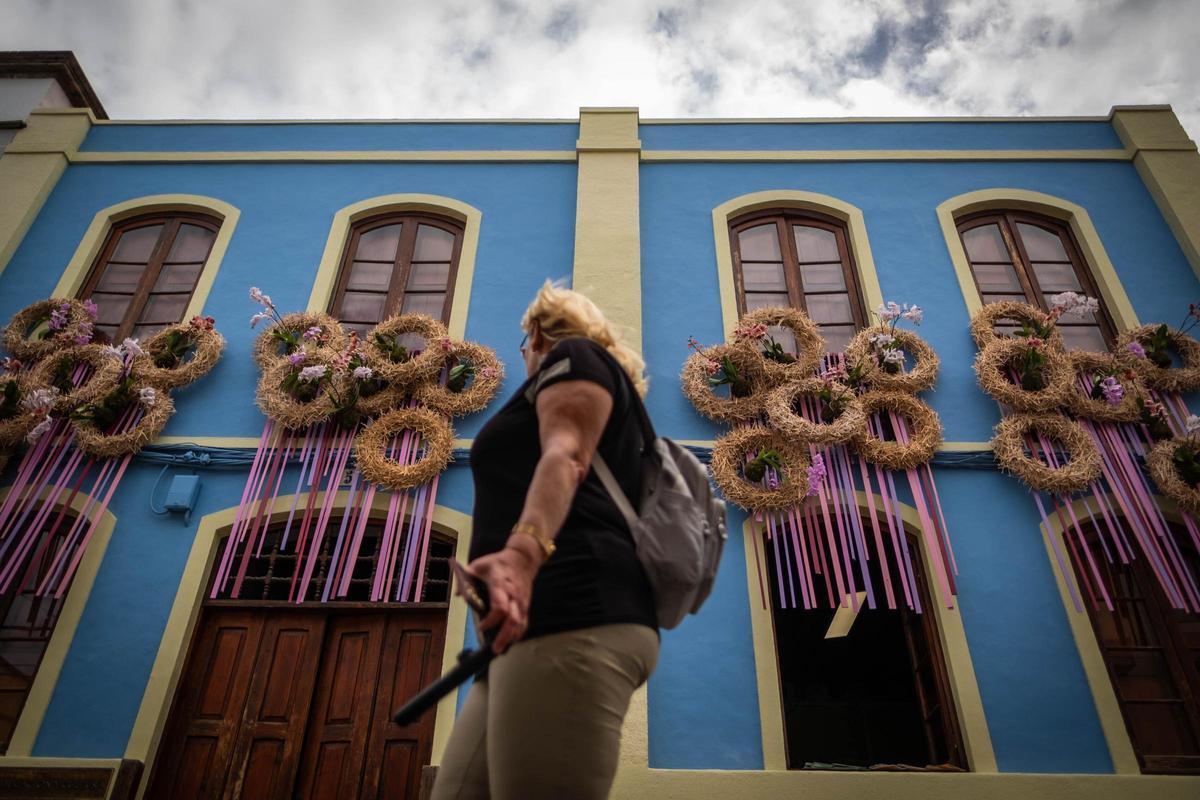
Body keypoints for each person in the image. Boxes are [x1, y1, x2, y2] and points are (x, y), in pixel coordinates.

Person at [430, 282, 659, 800]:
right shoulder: (595, 384)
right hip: (522, 635)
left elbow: (566, 454)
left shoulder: (575, 357)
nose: (523, 354)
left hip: (572, 613)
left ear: (537, 334)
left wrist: (519, 558)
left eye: (522, 342)